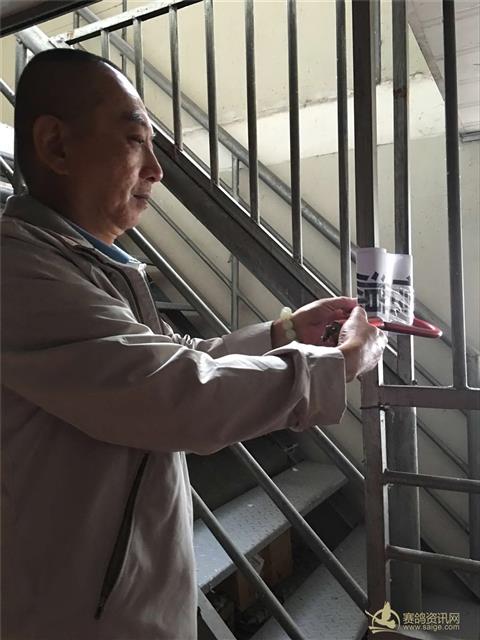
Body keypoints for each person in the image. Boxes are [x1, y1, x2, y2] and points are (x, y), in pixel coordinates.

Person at [0, 49, 386, 640]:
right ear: (56, 145)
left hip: (120, 602)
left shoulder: (90, 265)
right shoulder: (18, 273)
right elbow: (175, 393)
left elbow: (174, 356)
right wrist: (339, 362)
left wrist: (284, 333)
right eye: (136, 140)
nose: (157, 170)